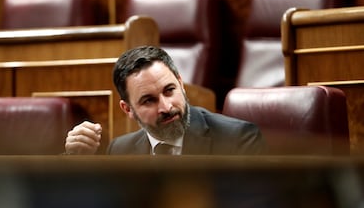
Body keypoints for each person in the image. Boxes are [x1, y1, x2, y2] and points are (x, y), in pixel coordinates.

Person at [65, 45, 264, 155]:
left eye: (169, 90)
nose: (166, 107)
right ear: (128, 110)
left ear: (181, 83)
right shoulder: (120, 150)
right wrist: (76, 158)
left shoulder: (237, 139)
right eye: (148, 100)